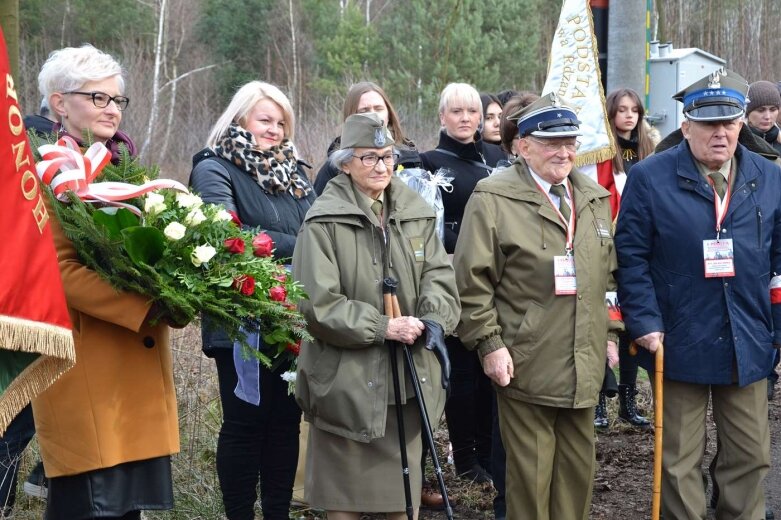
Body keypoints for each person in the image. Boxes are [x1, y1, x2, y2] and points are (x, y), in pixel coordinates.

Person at [615, 68, 778, 519]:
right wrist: (645, 322)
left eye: (729, 122)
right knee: (679, 458)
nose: (720, 133)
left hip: (747, 335)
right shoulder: (649, 178)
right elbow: (630, 257)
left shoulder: (770, 176)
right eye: (708, 124)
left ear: (741, 124)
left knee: (749, 454)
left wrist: (776, 330)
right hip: (676, 335)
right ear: (685, 126)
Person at [454, 93, 622, 519]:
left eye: (570, 141)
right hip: (525, 364)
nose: (563, 152)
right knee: (529, 485)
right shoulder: (493, 198)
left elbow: (609, 275)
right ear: (522, 145)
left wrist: (610, 333)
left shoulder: (594, 197)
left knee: (576, 480)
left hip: (583, 365)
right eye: (551, 142)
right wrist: (490, 345)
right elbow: (470, 282)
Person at [31, 44, 177, 520]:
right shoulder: (43, 176)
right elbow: (59, 271)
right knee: (85, 507)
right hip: (87, 367)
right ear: (59, 102)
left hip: (130, 372)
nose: (112, 108)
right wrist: (144, 306)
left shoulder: (120, 171)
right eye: (98, 98)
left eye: (117, 100)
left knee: (124, 512)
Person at [292, 112, 460, 520]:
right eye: (369, 158)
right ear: (346, 163)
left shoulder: (415, 211)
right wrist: (384, 327)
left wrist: (435, 320)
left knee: (402, 505)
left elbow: (439, 275)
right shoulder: (322, 221)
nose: (382, 166)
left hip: (405, 383)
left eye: (388, 157)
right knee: (343, 508)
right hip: (345, 389)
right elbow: (318, 304)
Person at [189, 80, 315, 520]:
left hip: (292, 316)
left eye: (281, 122)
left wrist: (302, 243)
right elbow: (229, 238)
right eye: (265, 119)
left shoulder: (294, 173)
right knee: (245, 425)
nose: (275, 129)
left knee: (284, 425)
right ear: (239, 118)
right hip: (241, 319)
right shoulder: (214, 166)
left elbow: (319, 230)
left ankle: (278, 513)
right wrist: (301, 245)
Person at [419, 83, 504, 486]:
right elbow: (426, 231)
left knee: (492, 370)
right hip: (453, 281)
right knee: (464, 375)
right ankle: (466, 458)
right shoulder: (428, 164)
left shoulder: (496, 160)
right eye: (457, 111)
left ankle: (488, 455)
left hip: (497, 281)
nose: (467, 118)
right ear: (442, 117)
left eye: (473, 111)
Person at [593, 88, 660, 429]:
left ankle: (629, 400)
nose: (629, 116)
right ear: (611, 114)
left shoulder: (649, 151)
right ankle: (600, 401)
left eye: (634, 110)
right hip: (608, 244)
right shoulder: (602, 152)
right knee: (606, 321)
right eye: (621, 110)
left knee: (633, 326)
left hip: (637, 246)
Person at [313, 81, 420, 196]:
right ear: (351, 117)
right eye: (364, 110)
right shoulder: (336, 165)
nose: (373, 115)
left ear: (389, 114)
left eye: (378, 109)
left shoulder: (410, 158)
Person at [745, 80, 781, 155]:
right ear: (748, 112)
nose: (767, 117)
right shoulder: (737, 145)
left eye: (773, 110)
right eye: (760, 110)